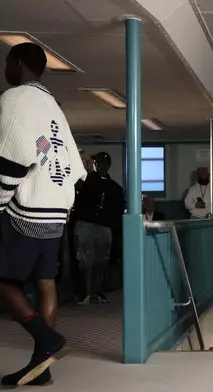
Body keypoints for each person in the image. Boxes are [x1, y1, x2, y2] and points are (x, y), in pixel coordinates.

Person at [0, 43, 86, 386]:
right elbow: (75, 166)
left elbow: (10, 160)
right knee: (45, 282)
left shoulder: (14, 99)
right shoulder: (53, 105)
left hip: (29, 209)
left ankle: (47, 340)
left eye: (7, 61)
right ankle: (42, 366)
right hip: (57, 209)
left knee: (4, 283)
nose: (5, 67)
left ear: (17, 63)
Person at [73, 151, 124, 305]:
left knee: (101, 260)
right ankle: (85, 293)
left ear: (105, 165)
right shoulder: (85, 182)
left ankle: (97, 292)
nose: (96, 165)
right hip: (86, 224)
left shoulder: (114, 187)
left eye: (99, 163)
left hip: (103, 227)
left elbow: (117, 209)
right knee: (84, 260)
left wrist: (112, 228)